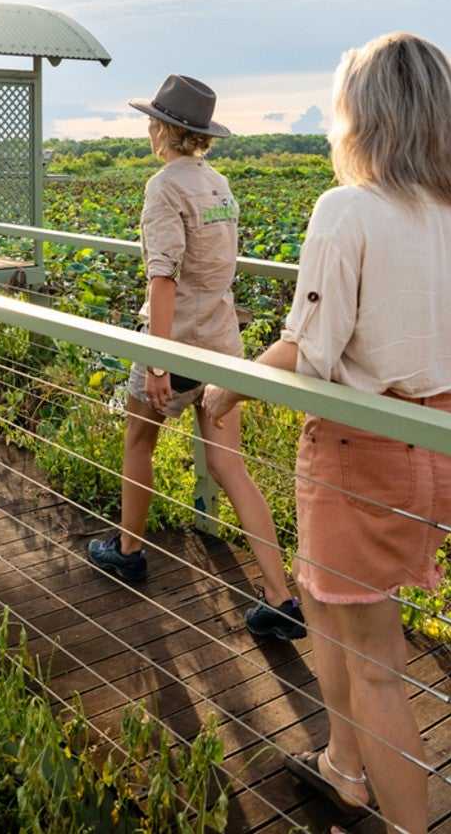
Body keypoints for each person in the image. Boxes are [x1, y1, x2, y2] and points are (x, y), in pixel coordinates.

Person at [202, 33, 451, 832]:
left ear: (361, 117)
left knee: (380, 669)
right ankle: (343, 764)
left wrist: (224, 390)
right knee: (327, 605)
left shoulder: (348, 211)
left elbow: (310, 348)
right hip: (442, 444)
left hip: (358, 452)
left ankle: (404, 823)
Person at [85, 73, 305, 643]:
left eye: (152, 120)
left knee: (139, 440)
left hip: (175, 341)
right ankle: (281, 597)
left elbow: (162, 278)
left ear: (164, 129)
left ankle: (129, 550)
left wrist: (156, 363)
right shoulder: (220, 185)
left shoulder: (164, 187)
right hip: (222, 341)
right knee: (230, 466)